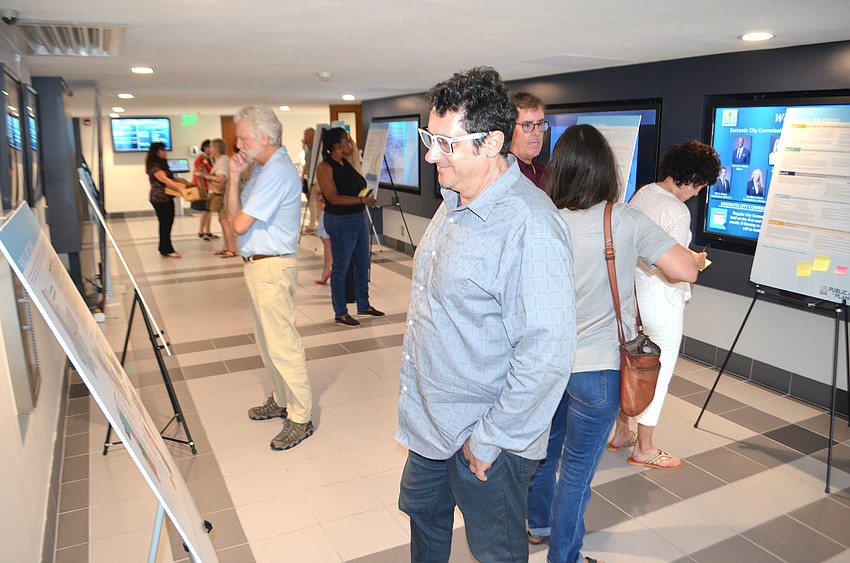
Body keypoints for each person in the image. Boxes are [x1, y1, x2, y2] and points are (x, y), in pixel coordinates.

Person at [396, 67, 576, 563]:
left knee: (495, 552)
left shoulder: (531, 226)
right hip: (431, 422)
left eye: (446, 144)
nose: (432, 155)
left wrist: (490, 439)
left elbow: (547, 353)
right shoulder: (452, 199)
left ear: (492, 142)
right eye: (429, 138)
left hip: (486, 438)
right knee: (425, 523)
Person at [525, 125, 701, 563]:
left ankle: (537, 524)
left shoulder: (542, 218)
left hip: (548, 363)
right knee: (578, 474)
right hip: (598, 369)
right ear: (608, 170)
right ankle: (564, 557)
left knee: (546, 451)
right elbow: (685, 270)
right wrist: (693, 257)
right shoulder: (621, 220)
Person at [608, 140, 719, 474]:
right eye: (699, 186)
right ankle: (644, 447)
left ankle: (622, 431)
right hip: (662, 300)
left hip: (635, 294)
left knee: (631, 364)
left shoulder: (645, 193)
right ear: (692, 178)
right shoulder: (676, 210)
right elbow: (671, 272)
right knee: (659, 372)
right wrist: (695, 262)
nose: (697, 193)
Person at [226, 106, 314, 451]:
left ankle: (301, 416)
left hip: (272, 266)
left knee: (282, 343)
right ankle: (281, 398)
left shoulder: (277, 171)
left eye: (244, 138)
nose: (239, 144)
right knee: (266, 342)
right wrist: (234, 177)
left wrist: (237, 209)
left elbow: (238, 225)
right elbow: (233, 217)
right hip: (257, 265)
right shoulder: (262, 170)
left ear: (264, 138)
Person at [316, 127, 383, 326]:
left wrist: (363, 198)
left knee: (363, 264)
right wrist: (361, 201)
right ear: (336, 145)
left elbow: (354, 188)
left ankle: (363, 304)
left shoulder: (345, 163)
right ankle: (341, 312)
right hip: (340, 221)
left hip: (357, 218)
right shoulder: (325, 167)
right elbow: (333, 198)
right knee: (341, 267)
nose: (351, 144)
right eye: (347, 141)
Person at [145, 142, 187, 258]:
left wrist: (181, 183)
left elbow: (170, 178)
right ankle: (166, 249)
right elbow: (165, 180)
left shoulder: (162, 164)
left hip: (166, 197)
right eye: (162, 150)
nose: (164, 152)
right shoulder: (155, 166)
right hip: (160, 199)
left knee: (167, 223)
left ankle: (164, 247)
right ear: (156, 152)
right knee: (165, 223)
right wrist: (180, 189)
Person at [201, 139, 238, 257]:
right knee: (223, 221)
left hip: (223, 196)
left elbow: (221, 179)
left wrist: (204, 175)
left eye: (211, 147)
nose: (209, 150)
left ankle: (231, 249)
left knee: (225, 222)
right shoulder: (221, 160)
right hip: (222, 195)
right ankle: (226, 247)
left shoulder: (223, 161)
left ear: (216, 149)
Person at [510, 91, 549, 189]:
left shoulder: (545, 172)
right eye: (527, 125)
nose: (537, 133)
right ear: (510, 128)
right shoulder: (503, 175)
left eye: (540, 124)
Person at [192, 139, 215, 240]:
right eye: (210, 147)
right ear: (205, 147)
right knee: (205, 210)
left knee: (208, 210)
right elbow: (198, 173)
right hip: (202, 187)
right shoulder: (200, 158)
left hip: (208, 186)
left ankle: (208, 231)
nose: (212, 149)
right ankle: (201, 232)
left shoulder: (209, 158)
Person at [299, 127, 319, 233]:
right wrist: (303, 177)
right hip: (310, 178)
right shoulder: (307, 148)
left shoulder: (318, 149)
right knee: (312, 201)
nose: (304, 137)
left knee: (313, 202)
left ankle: (314, 224)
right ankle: (314, 223)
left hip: (317, 180)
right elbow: (307, 163)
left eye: (306, 135)